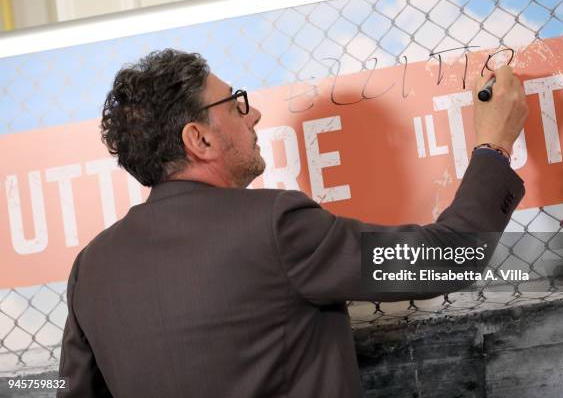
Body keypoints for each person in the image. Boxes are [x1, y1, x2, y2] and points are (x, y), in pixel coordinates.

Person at [57, 49, 528, 397]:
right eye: (234, 104)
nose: (254, 113)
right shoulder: (274, 226)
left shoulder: (91, 270)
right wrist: (494, 145)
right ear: (197, 138)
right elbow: (445, 258)